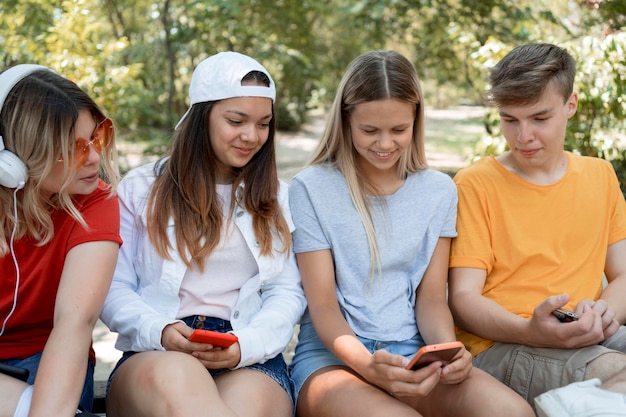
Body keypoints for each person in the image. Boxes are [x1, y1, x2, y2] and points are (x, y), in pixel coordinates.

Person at [287, 50, 534, 417]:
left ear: (416, 122)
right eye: (370, 130)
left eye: (398, 130)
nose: (385, 145)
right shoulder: (311, 187)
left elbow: (432, 298)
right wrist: (368, 366)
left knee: (511, 412)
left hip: (413, 353)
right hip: (333, 359)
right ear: (345, 119)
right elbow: (322, 306)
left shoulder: (438, 191)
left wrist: (449, 352)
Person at [100, 51, 306, 417]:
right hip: (157, 348)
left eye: (263, 124)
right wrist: (159, 329)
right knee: (182, 393)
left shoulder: (278, 196)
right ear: (202, 116)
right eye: (236, 120)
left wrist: (247, 344)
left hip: (248, 352)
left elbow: (285, 291)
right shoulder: (141, 189)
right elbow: (112, 287)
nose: (251, 135)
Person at [448, 42, 626, 417]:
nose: (522, 136)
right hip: (501, 346)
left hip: (584, 334)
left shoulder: (600, 176)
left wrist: (604, 313)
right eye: (510, 119)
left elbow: (623, 273)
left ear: (571, 105)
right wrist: (529, 330)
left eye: (539, 119)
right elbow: (462, 300)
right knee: (616, 373)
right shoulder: (476, 183)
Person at [0, 65, 121, 417]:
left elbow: (75, 322)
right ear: (16, 158)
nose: (95, 158)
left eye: (96, 138)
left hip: (48, 358)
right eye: (75, 149)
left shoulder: (96, 200)